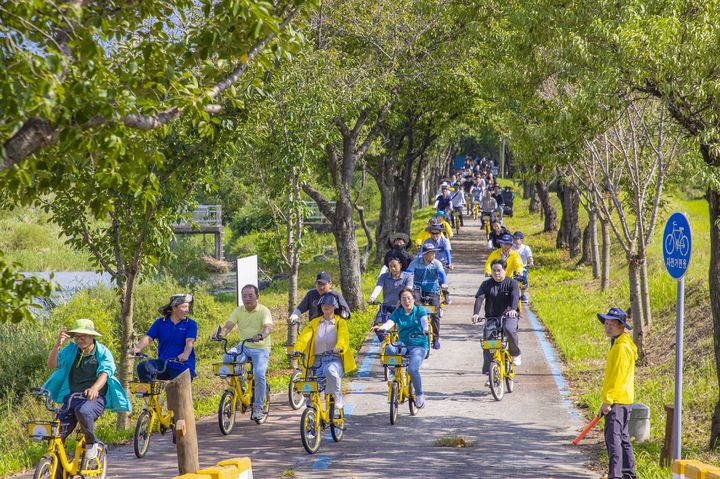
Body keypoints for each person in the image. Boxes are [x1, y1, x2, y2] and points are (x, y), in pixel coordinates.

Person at [44, 319, 130, 471]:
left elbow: (106, 372)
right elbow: (52, 364)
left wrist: (95, 388)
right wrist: (58, 345)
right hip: (72, 398)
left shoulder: (102, 352)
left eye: (83, 336)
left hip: (95, 399)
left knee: (83, 411)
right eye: (76, 336)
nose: (79, 339)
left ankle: (92, 442)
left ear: (92, 337)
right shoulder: (71, 350)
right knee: (56, 434)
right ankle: (58, 471)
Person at [215, 284, 273, 421]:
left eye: (250, 296)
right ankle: (239, 380)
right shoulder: (238, 310)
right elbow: (228, 326)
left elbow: (268, 327)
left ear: (257, 297)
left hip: (260, 348)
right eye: (244, 296)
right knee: (227, 357)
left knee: (259, 375)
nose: (247, 299)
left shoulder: (264, 311)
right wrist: (221, 334)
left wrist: (260, 335)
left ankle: (258, 408)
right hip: (244, 346)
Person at [294, 294, 357, 414]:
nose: (326, 307)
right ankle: (311, 418)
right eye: (324, 304)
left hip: (335, 359)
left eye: (329, 305)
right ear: (320, 307)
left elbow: (343, 337)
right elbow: (304, 337)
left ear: (335, 307)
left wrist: (339, 347)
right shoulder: (314, 322)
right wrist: (298, 349)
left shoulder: (340, 322)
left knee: (330, 371)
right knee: (310, 387)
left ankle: (338, 396)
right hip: (317, 361)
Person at [596, 307, 638, 479]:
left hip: (617, 401)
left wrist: (608, 400)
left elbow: (617, 376)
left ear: (622, 326)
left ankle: (615, 475)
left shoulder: (621, 348)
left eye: (612, 324)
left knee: (614, 441)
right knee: (623, 439)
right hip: (623, 399)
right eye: (606, 323)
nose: (608, 327)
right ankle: (628, 473)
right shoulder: (621, 343)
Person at [373, 287, 429, 409]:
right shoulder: (398, 312)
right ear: (400, 301)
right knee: (390, 349)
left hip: (418, 344)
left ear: (414, 299)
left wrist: (425, 330)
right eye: (404, 299)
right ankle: (393, 373)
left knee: (412, 369)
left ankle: (419, 395)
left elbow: (424, 322)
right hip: (403, 343)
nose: (406, 301)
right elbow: (390, 323)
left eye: (409, 298)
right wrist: (382, 328)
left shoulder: (420, 310)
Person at [472, 259, 521, 381]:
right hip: (492, 317)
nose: (496, 273)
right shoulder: (486, 284)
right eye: (494, 271)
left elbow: (515, 296)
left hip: (509, 315)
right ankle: (490, 373)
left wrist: (513, 309)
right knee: (488, 342)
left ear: (505, 270)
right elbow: (480, 298)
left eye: (499, 270)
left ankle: (515, 353)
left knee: (509, 329)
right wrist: (476, 314)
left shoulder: (512, 283)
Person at [131, 293, 197, 381]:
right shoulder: (160, 322)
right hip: (163, 364)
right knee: (142, 367)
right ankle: (149, 394)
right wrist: (138, 348)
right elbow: (148, 337)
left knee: (178, 391)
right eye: (184, 307)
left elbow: (189, 342)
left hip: (182, 365)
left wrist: (185, 354)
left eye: (188, 307)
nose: (187, 310)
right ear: (174, 307)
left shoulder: (190, 324)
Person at [406, 243, 447, 349]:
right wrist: (408, 285)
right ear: (424, 254)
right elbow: (408, 273)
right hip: (418, 290)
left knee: (435, 315)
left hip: (432, 291)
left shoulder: (437, 263)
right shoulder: (415, 262)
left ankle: (436, 339)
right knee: (415, 312)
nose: (433, 254)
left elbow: (442, 274)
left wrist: (444, 283)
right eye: (431, 253)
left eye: (434, 252)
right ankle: (415, 336)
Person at [368, 258, 414, 341]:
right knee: (377, 325)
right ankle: (384, 341)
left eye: (395, 266)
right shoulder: (384, 276)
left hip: (401, 307)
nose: (392, 268)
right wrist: (372, 298)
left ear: (400, 265)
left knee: (405, 325)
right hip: (387, 306)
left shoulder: (408, 277)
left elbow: (408, 290)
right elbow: (379, 287)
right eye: (390, 266)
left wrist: (405, 301)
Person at [512, 231, 534, 303]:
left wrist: (531, 263)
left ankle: (522, 294)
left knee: (524, 278)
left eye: (516, 239)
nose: (514, 240)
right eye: (513, 238)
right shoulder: (511, 247)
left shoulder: (526, 248)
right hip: (512, 268)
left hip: (523, 267)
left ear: (521, 239)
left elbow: (529, 257)